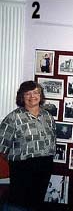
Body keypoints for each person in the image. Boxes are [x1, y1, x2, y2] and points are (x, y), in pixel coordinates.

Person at [0, 80, 56, 210]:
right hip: (22, 167)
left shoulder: (48, 116)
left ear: (40, 96)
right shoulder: (13, 117)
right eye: (28, 94)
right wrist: (17, 163)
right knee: (19, 203)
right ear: (22, 97)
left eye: (36, 92)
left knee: (37, 202)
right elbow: (2, 146)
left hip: (45, 165)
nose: (32, 97)